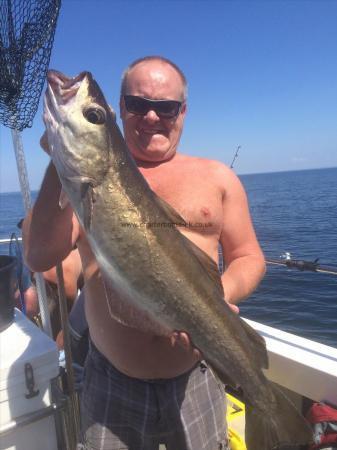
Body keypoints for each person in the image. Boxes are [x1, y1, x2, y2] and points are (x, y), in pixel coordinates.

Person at [23, 56, 265, 450]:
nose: (152, 116)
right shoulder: (83, 186)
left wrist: (215, 298)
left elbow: (249, 257)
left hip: (197, 380)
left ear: (182, 111)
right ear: (120, 109)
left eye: (166, 107)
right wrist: (58, 159)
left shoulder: (219, 178)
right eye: (137, 104)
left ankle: (273, 411)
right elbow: (37, 257)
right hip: (111, 389)